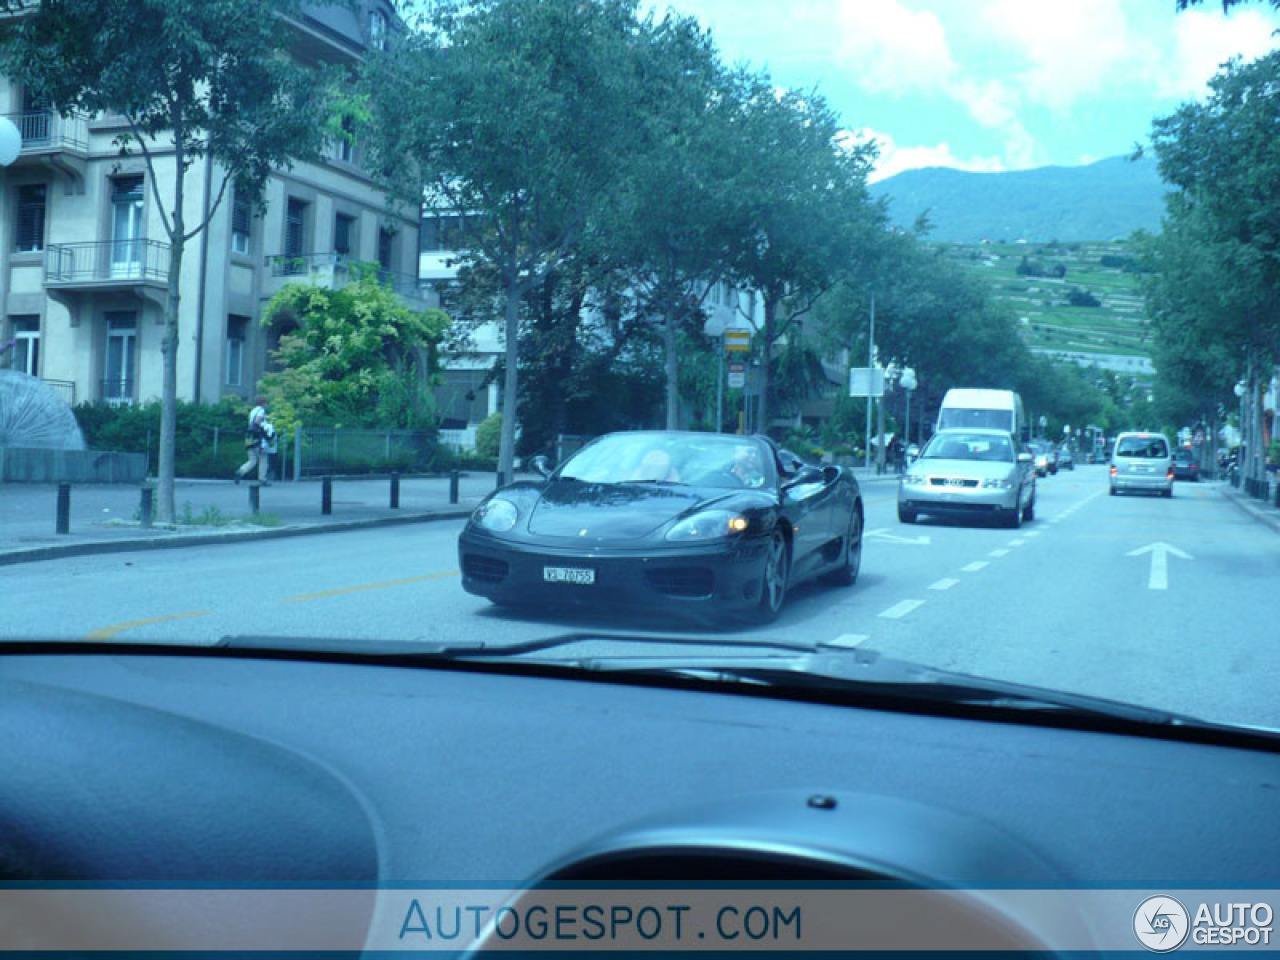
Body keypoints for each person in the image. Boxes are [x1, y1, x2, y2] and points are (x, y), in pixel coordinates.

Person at [235, 395, 272, 485]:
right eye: (266, 403)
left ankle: (240, 472)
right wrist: (265, 430)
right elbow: (257, 422)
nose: (267, 405)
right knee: (263, 459)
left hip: (249, 437)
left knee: (252, 460)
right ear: (263, 403)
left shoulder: (253, 411)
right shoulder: (261, 411)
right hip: (258, 438)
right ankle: (262, 479)